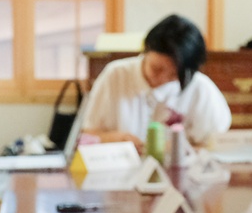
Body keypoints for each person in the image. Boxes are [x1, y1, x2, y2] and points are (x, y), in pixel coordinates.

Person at [78, 14, 232, 147]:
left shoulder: (200, 88)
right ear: (145, 50)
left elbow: (215, 145)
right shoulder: (116, 75)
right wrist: (117, 139)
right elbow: (87, 136)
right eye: (157, 69)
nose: (162, 79)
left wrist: (179, 149)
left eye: (173, 75)